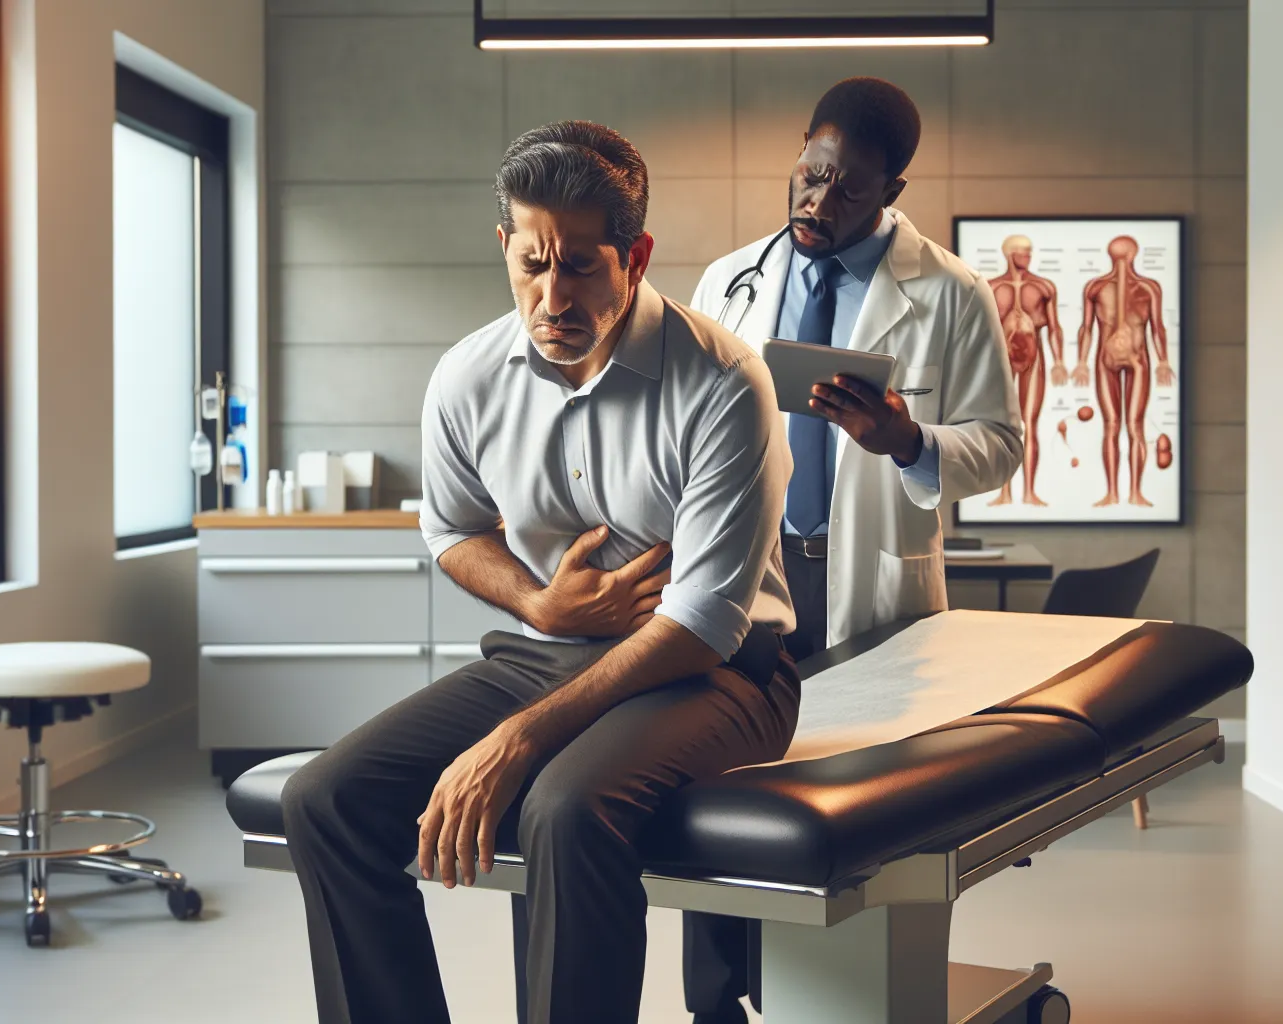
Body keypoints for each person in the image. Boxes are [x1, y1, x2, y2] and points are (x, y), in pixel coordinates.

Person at [278, 120, 799, 1024]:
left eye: (582, 267)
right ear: (505, 248)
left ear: (634, 255)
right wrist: (537, 603)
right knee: (324, 800)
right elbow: (450, 528)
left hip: (720, 675)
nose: (552, 295)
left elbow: (709, 620)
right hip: (544, 655)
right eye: (531, 263)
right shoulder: (467, 375)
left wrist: (520, 739)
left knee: (563, 810)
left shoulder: (724, 382)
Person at [686, 76, 1024, 1024]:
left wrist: (907, 443)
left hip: (868, 577)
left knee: (861, 796)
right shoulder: (730, 281)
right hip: (749, 570)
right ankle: (717, 1002)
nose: (818, 202)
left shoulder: (951, 294)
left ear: (893, 189)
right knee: (715, 772)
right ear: (801, 151)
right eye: (811, 173)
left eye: (848, 189)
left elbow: (1000, 442)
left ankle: (843, 999)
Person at [1072, 234, 1173, 507]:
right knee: (1117, 426)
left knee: (1128, 426)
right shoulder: (1096, 287)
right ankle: (1116, 492)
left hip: (1136, 358)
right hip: (1111, 358)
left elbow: (1157, 327)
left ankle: (1132, 492)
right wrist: (1080, 361)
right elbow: (1087, 327)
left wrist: (1164, 361)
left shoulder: (1147, 288)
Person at [988, 234, 1065, 507]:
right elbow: (983, 331)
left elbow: (1055, 326)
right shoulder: (991, 287)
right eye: (1024, 252)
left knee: (1030, 424)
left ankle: (1029, 491)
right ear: (1010, 253)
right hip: (1002, 359)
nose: (1029, 257)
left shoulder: (1043, 287)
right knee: (1004, 425)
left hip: (1035, 357)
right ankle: (1005, 491)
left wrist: (1059, 361)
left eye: (1030, 252)